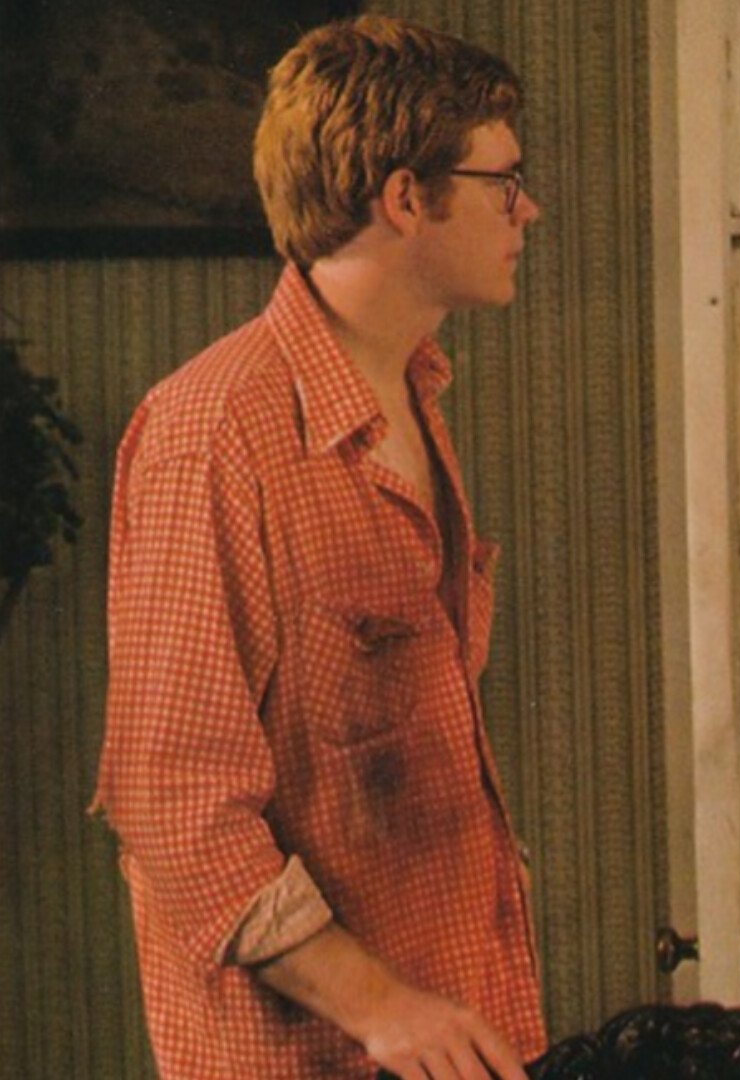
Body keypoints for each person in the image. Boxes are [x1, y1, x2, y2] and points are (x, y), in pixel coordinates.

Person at [93, 15, 545, 1079]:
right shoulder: (216, 434)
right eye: (502, 182)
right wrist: (384, 1008)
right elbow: (172, 801)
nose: (527, 210)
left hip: (451, 1032)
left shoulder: (411, 389)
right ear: (406, 198)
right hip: (317, 1057)